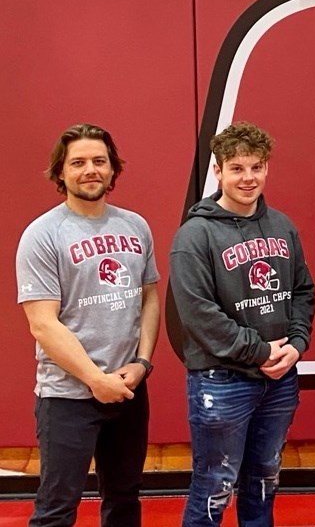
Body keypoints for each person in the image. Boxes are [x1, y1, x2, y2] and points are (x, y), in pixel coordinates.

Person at [169, 121, 315, 526]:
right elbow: (199, 314)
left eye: (256, 167)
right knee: (216, 483)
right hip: (222, 380)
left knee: (265, 478)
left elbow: (303, 291)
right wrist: (261, 349)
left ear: (266, 168)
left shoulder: (282, 226)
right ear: (218, 171)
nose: (248, 178)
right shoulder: (195, 235)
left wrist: (297, 344)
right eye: (237, 168)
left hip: (280, 378)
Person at [16, 123, 160, 526]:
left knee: (124, 498)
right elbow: (43, 324)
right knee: (57, 510)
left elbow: (148, 297)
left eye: (99, 161)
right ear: (60, 172)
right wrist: (96, 380)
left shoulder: (135, 226)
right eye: (77, 163)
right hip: (67, 397)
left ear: (113, 168)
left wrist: (142, 363)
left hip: (129, 389)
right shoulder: (42, 235)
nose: (90, 170)